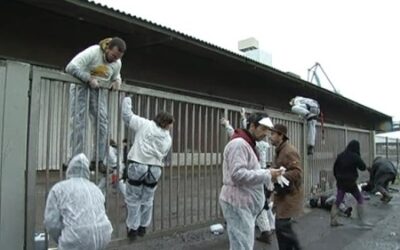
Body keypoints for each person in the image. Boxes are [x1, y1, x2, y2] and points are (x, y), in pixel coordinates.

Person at [219, 112, 282, 250]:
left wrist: (269, 176)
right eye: (263, 129)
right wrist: (267, 174)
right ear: (252, 126)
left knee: (240, 244)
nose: (266, 134)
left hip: (242, 203)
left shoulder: (247, 143)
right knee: (242, 245)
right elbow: (238, 174)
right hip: (238, 202)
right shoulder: (239, 144)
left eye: (268, 130)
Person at [66, 37, 126, 171]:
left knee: (102, 124)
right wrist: (88, 78)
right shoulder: (94, 52)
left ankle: (98, 160)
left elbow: (116, 75)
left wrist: (117, 81)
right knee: (78, 123)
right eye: (113, 55)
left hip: (98, 91)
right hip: (80, 87)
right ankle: (75, 160)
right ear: (108, 48)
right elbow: (70, 67)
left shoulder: (117, 63)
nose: (115, 59)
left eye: (118, 57)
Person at [122, 96, 174, 240]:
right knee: (148, 199)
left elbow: (127, 116)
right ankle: (143, 227)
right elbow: (163, 153)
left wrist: (127, 98)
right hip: (155, 169)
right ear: (166, 123)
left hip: (138, 164)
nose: (171, 127)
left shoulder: (145, 124)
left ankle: (132, 228)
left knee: (133, 198)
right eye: (170, 124)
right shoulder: (167, 138)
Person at [44, 153, 113, 250]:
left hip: (76, 237)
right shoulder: (95, 188)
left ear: (70, 168)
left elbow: (51, 222)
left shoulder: (59, 188)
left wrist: (63, 238)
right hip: (104, 234)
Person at [269, 124, 303, 250]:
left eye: (273, 134)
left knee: (282, 226)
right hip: (282, 195)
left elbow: (297, 172)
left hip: (290, 195)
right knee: (281, 228)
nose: (270, 137)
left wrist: (279, 174)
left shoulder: (289, 151)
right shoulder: (279, 150)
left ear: (281, 136)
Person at [331, 140, 372, 228]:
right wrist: (367, 168)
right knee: (359, 199)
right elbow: (362, 167)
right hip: (351, 183)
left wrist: (338, 178)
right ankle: (362, 221)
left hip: (341, 182)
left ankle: (333, 221)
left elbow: (334, 169)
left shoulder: (341, 155)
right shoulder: (355, 156)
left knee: (338, 201)